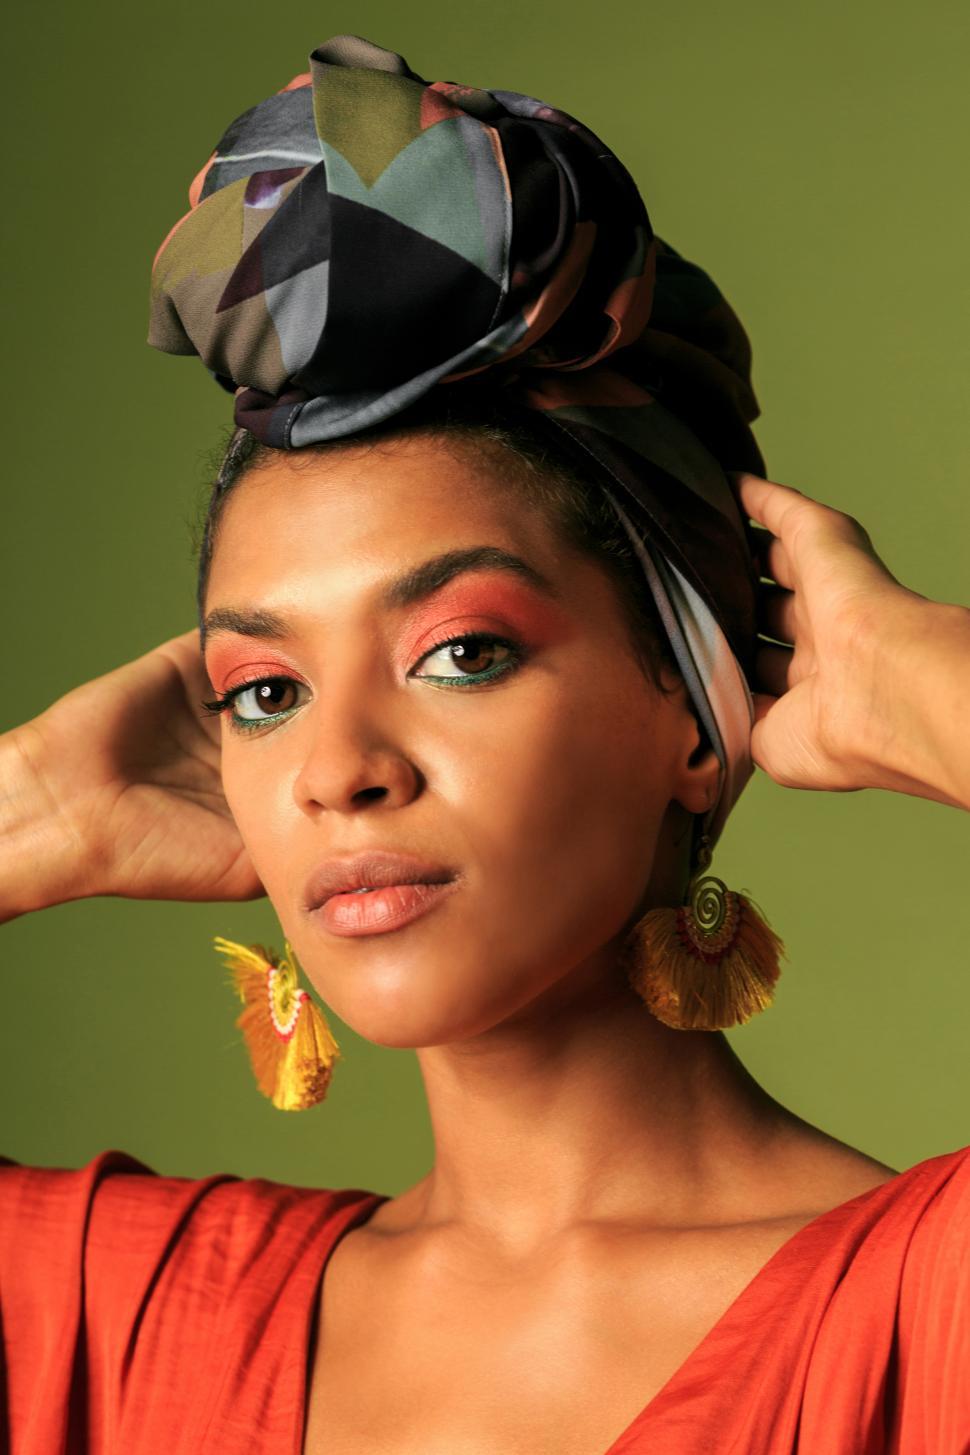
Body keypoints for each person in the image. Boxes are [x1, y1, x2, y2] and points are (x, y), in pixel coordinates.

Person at [1, 32, 968, 1455]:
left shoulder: (922, 1314)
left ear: (694, 717)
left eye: (461, 653)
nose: (341, 768)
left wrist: (922, 674)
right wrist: (31, 806)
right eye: (265, 691)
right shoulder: (118, 1316)